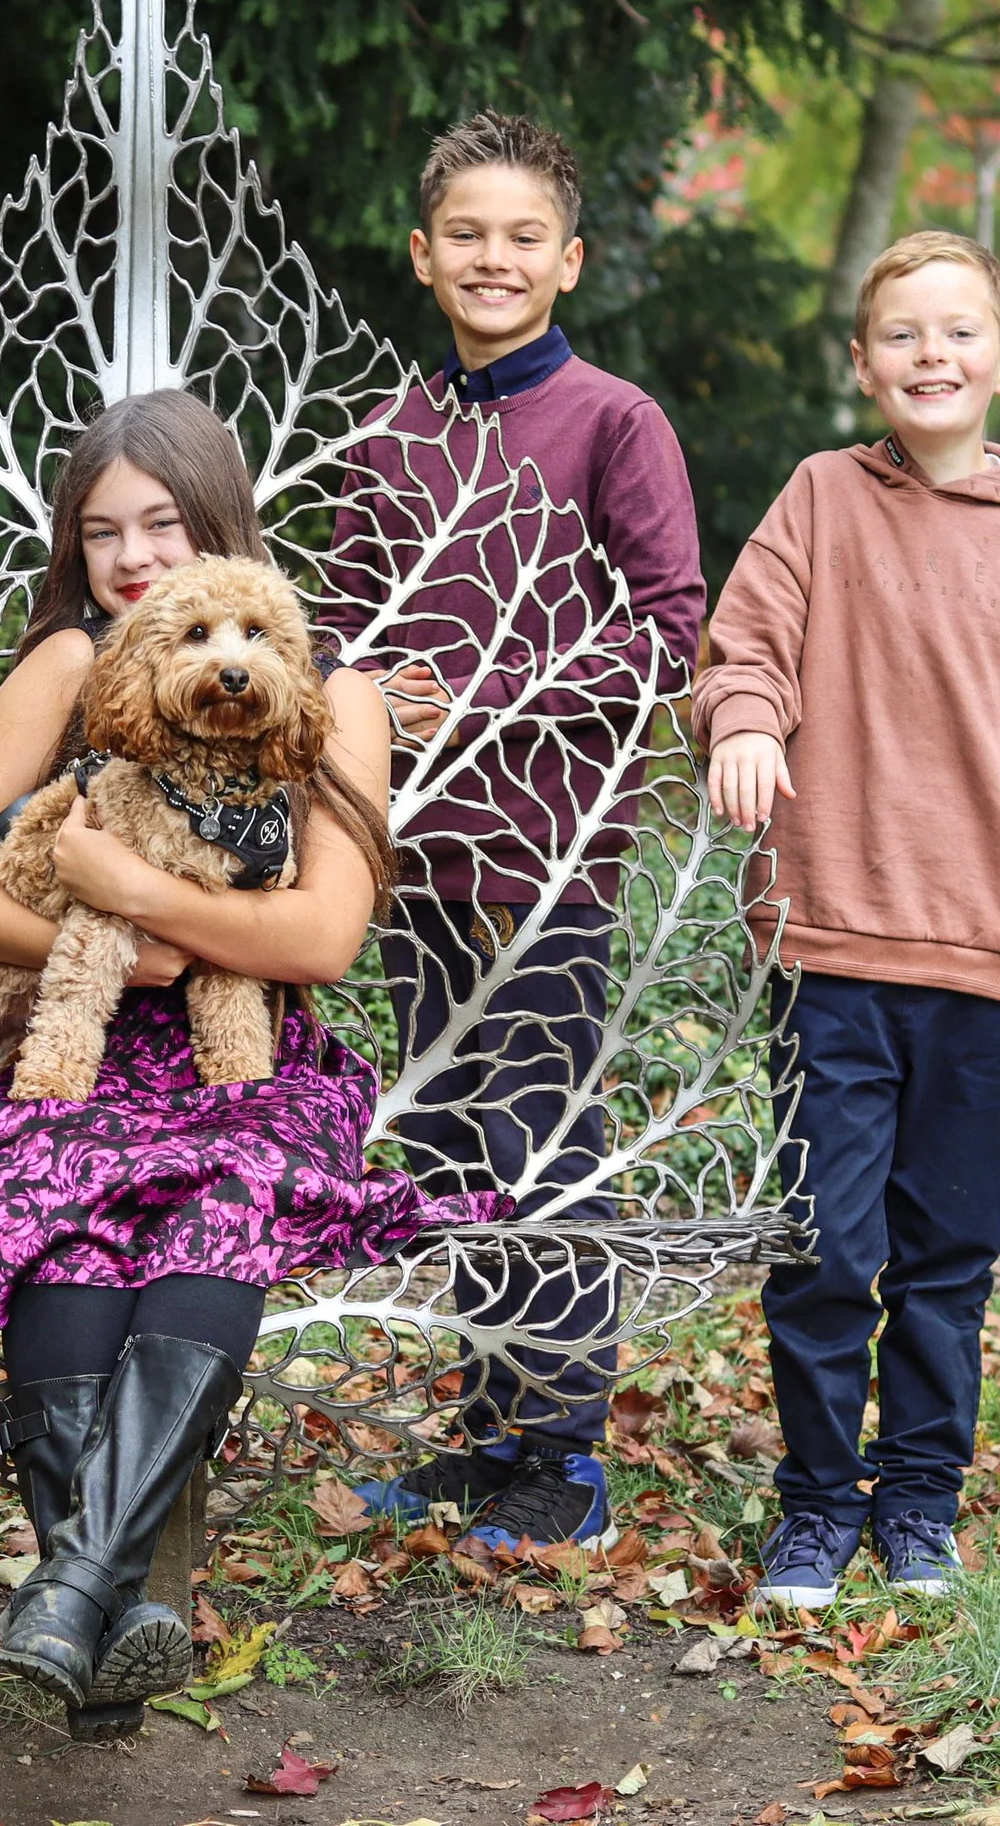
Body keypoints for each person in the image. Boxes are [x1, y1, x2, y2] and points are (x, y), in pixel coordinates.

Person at [0, 389, 508, 1740]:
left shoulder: (332, 695)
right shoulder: (71, 667)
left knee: (222, 1199)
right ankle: (110, 1612)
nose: (131, 557)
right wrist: (98, 936)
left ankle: (71, 1593)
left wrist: (141, 899)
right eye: (101, 531)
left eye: (162, 524)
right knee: (56, 1204)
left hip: (250, 1064)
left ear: (221, 521)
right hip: (81, 1047)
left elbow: (323, 936)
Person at [694, 231, 1000, 1606]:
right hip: (830, 947)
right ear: (862, 363)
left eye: (958, 332)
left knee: (946, 1261)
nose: (931, 354)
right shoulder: (822, 499)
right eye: (902, 334)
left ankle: (921, 1505)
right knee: (828, 1248)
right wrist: (746, 719)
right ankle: (818, 1505)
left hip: (991, 967)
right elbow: (744, 643)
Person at [319, 111, 705, 1551]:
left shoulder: (614, 423)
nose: (495, 258)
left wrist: (485, 695)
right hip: (414, 853)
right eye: (468, 235)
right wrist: (362, 698)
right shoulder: (389, 435)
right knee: (451, 1147)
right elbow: (341, 629)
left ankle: (566, 1457)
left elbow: (668, 636)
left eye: (524, 237)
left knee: (543, 1140)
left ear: (570, 262)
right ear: (424, 256)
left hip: (547, 857)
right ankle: (489, 1435)